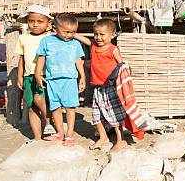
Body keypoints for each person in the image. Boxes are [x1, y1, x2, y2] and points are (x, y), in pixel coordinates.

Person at [74, 19, 127, 152]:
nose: (98, 37)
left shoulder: (113, 49)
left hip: (111, 87)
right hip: (97, 88)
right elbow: (83, 39)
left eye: (102, 34)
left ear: (112, 35)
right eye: (96, 34)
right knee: (96, 115)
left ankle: (120, 140)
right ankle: (103, 137)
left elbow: (122, 66)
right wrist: (71, 33)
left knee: (114, 114)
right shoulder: (93, 46)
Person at [35, 13, 86, 147]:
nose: (69, 35)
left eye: (73, 32)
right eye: (66, 32)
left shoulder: (75, 44)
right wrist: (37, 74)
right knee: (55, 108)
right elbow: (41, 58)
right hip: (52, 80)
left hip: (69, 80)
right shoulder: (46, 41)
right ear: (55, 27)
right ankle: (60, 133)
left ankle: (69, 135)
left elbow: (78, 61)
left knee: (70, 108)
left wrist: (83, 77)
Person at [15, 4, 55, 140]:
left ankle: (50, 125)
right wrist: (20, 76)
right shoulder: (23, 38)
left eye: (40, 21)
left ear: (48, 23)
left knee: (43, 101)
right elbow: (22, 58)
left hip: (45, 76)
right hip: (29, 76)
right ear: (27, 22)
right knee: (31, 106)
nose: (35, 24)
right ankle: (37, 137)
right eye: (32, 21)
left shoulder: (51, 38)